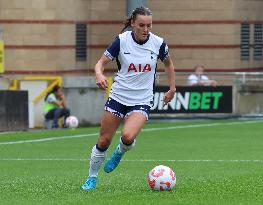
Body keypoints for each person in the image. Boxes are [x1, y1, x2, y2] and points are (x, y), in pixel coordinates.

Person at [81, 6, 176, 190]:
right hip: (118, 96)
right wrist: (99, 75)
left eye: (149, 25)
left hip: (142, 100)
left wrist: (172, 88)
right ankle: (92, 177)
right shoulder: (121, 41)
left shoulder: (158, 43)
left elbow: (169, 64)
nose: (145, 30)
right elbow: (100, 63)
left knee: (127, 135)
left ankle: (119, 152)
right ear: (133, 24)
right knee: (103, 141)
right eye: (141, 25)